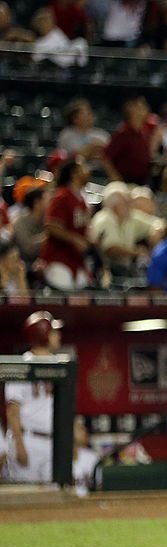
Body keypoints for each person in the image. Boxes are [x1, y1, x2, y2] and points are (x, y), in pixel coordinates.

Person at [5, 312, 63, 483]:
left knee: (54, 496)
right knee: (25, 498)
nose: (57, 335)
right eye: (53, 332)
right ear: (43, 334)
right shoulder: (22, 365)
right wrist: (19, 445)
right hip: (28, 439)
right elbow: (12, 411)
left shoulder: (58, 365)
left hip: (52, 441)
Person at [42, 157, 93, 291]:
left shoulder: (81, 199)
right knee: (64, 289)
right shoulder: (62, 196)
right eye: (84, 167)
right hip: (58, 257)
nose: (88, 171)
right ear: (74, 173)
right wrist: (74, 239)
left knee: (83, 293)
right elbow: (51, 226)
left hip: (76, 260)